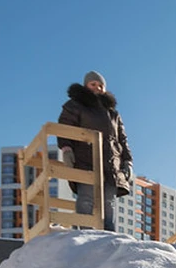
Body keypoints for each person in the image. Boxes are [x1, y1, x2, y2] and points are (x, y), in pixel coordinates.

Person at [57, 71, 133, 231]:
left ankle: (109, 236)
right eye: (94, 84)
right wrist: (66, 149)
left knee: (109, 202)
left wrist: (128, 161)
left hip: (112, 163)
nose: (97, 88)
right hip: (86, 159)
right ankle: (85, 232)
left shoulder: (113, 113)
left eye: (101, 85)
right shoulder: (75, 105)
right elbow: (65, 127)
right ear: (86, 85)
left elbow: (122, 139)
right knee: (87, 197)